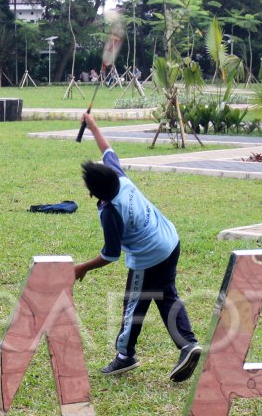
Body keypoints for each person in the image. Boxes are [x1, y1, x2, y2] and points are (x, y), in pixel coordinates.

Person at [73, 113, 202, 382]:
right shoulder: (118, 177)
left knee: (134, 305)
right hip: (170, 240)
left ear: (94, 193)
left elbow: (111, 254)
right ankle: (188, 345)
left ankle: (125, 356)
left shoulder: (110, 212)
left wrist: (81, 268)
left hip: (149, 256)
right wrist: (92, 124)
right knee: (166, 295)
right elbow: (106, 149)